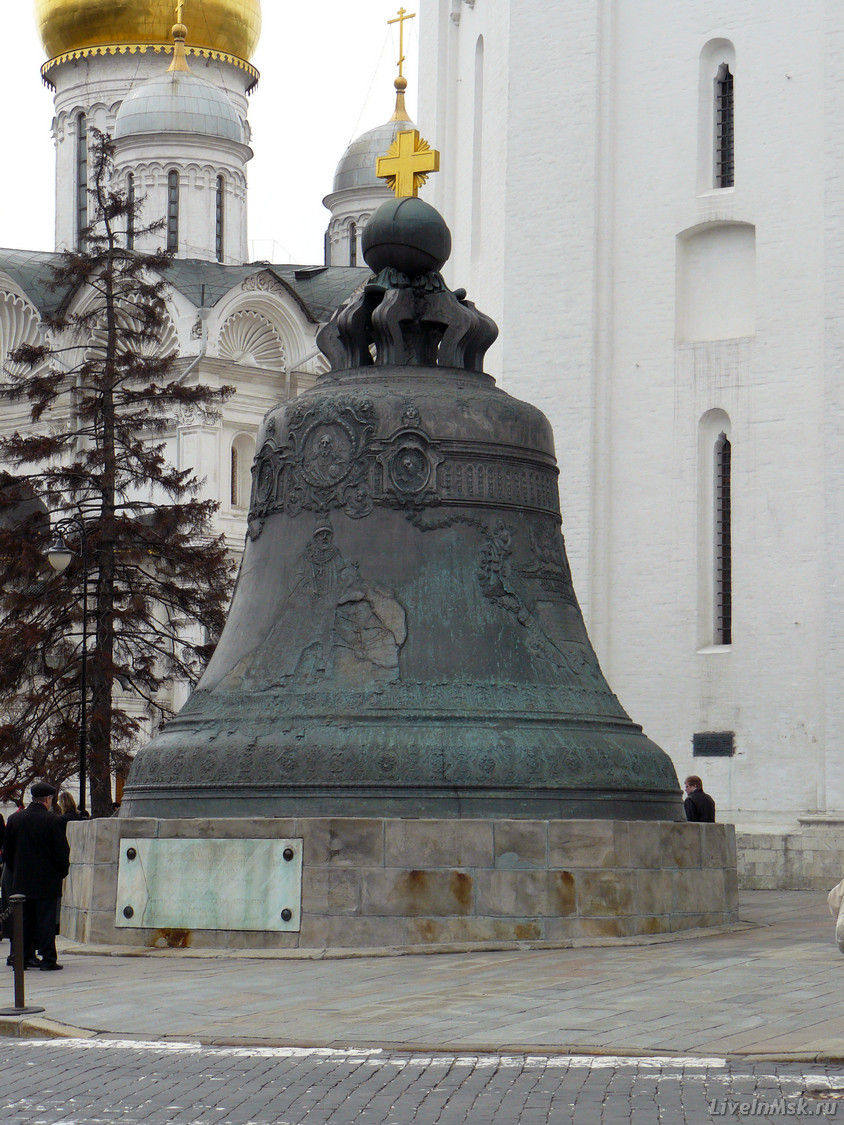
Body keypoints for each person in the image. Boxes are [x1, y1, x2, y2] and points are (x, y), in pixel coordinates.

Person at [3, 781, 70, 970]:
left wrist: (16, 869)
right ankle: (48, 959)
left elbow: (7, 851)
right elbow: (61, 852)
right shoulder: (53, 821)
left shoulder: (15, 820)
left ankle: (22, 957)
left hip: (21, 879)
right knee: (46, 920)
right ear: (48, 800)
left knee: (24, 920)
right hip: (46, 881)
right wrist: (61, 872)